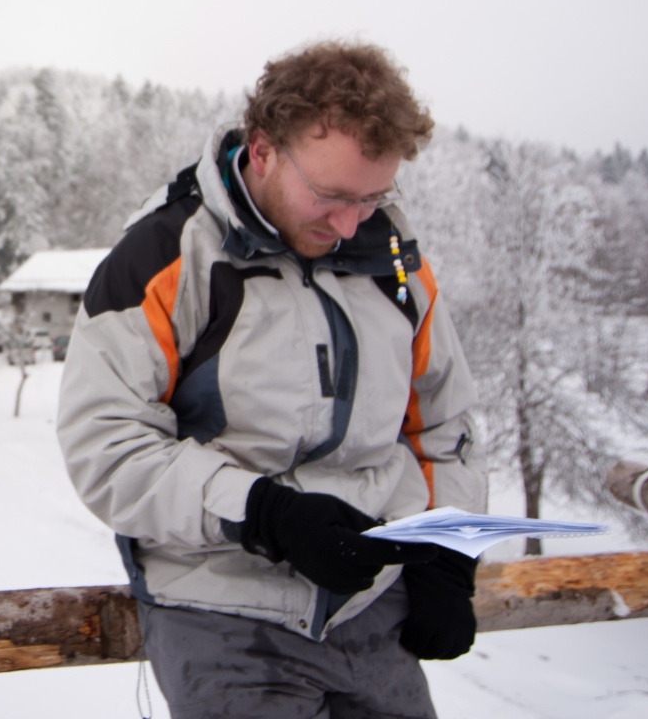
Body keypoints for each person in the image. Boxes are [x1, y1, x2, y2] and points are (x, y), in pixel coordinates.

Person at [57, 41, 486, 719]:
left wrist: (446, 557)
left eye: (373, 197)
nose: (350, 223)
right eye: (331, 195)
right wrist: (266, 515)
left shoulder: (396, 266)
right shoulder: (167, 256)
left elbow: (443, 427)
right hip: (220, 608)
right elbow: (106, 448)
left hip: (372, 602)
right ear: (263, 151)